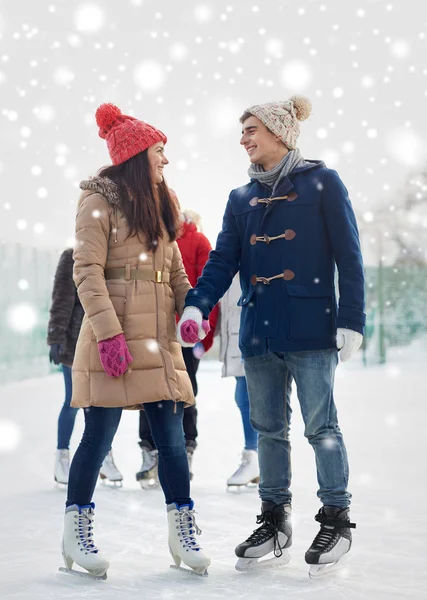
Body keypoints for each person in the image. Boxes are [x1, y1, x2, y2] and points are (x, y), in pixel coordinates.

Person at [177, 96, 365, 576]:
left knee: (321, 427)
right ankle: (275, 517)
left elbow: (349, 255)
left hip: (311, 326)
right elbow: (222, 261)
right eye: (241, 131)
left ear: (280, 133)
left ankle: (336, 518)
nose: (243, 139)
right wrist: (198, 303)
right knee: (267, 429)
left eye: (251, 129)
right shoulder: (241, 199)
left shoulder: (323, 183)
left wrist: (352, 319)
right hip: (259, 329)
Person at [61, 103, 210, 579]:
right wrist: (108, 334)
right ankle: (76, 534)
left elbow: (178, 272)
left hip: (159, 341)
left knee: (171, 440)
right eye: (159, 151)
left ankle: (182, 532)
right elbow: (86, 272)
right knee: (98, 436)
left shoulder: (163, 202)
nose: (166, 161)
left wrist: (190, 309)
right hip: (117, 336)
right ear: (136, 154)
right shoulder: (97, 202)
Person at [136, 209, 219, 486]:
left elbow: (207, 292)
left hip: (185, 333)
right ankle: (152, 451)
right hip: (155, 331)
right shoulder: (152, 238)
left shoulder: (199, 243)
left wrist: (203, 337)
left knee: (183, 390)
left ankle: (184, 449)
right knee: (152, 390)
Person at [47, 248, 122, 486]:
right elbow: (61, 299)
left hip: (101, 342)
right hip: (74, 343)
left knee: (101, 402)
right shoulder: (72, 256)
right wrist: (56, 336)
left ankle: (104, 457)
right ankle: (62, 458)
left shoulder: (111, 256)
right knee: (74, 400)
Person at [218, 274, 259, 489]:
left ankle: (256, 456)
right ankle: (256, 456)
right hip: (239, 332)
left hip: (253, 331)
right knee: (244, 396)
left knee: (249, 397)